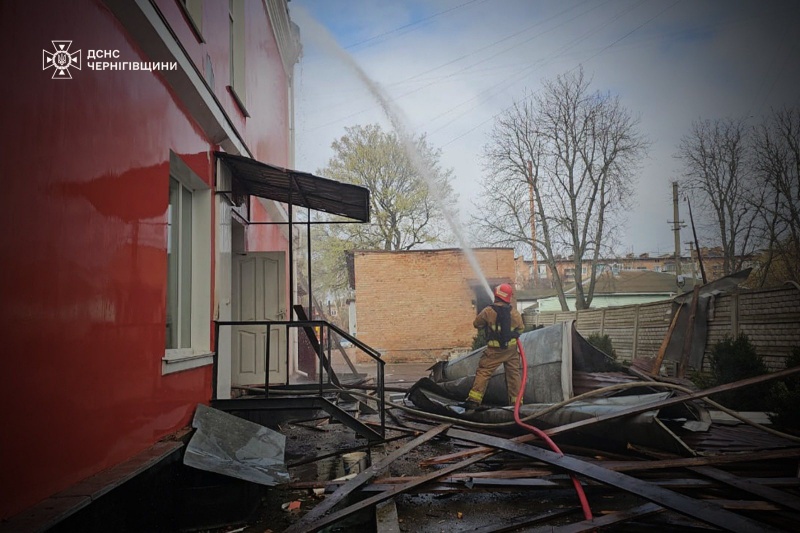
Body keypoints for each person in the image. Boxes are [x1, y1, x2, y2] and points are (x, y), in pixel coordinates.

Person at [463, 283, 525, 410]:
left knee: (484, 372)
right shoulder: (514, 313)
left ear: (497, 295)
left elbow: (476, 324)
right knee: (513, 375)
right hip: (511, 351)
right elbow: (520, 329)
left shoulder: (488, 311)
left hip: (494, 351)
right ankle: (517, 404)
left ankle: (474, 400)